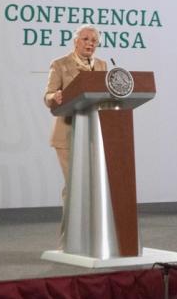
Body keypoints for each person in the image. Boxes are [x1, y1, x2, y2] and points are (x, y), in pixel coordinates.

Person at [43, 25, 107, 239]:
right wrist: (54, 97)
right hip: (68, 134)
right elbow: (48, 95)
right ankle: (69, 240)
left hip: (93, 135)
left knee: (92, 188)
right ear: (76, 41)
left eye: (94, 41)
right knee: (75, 187)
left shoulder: (102, 65)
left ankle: (92, 238)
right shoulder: (60, 64)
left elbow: (105, 96)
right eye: (86, 39)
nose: (90, 43)